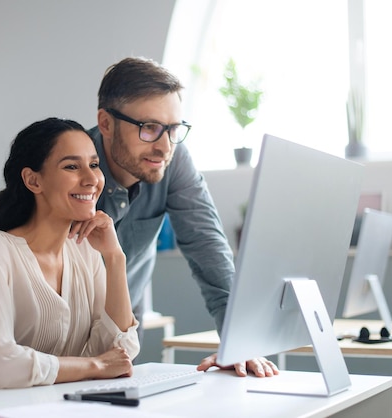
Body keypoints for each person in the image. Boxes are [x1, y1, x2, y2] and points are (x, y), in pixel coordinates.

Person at [75, 56, 277, 377]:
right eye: (149, 128)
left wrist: (238, 342)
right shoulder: (71, 167)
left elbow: (207, 245)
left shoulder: (173, 161)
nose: (164, 147)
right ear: (106, 123)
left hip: (122, 337)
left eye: (173, 129)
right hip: (63, 339)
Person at [0, 117, 140, 399]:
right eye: (72, 166)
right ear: (33, 180)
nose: (91, 179)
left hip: (44, 402)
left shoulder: (85, 250)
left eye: (94, 165)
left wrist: (115, 257)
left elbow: (120, 353)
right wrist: (94, 365)